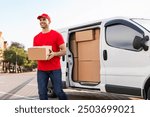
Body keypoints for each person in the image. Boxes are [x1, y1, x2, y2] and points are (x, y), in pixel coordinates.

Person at [33, 13, 68, 100]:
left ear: (49, 21)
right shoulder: (36, 38)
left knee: (58, 91)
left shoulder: (56, 35)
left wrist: (54, 54)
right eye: (40, 20)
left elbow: (64, 51)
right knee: (41, 93)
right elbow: (35, 53)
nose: (42, 21)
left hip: (55, 69)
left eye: (44, 19)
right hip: (41, 69)